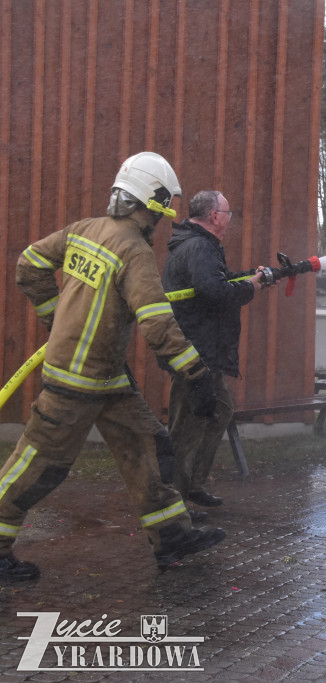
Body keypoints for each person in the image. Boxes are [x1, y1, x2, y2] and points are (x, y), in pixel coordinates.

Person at [0, 152, 225, 583]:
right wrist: (195, 375)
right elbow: (157, 322)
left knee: (148, 445)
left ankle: (172, 535)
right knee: (38, 467)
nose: (164, 215)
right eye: (163, 204)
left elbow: (29, 263)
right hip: (75, 382)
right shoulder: (134, 250)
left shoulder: (85, 229)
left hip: (106, 377)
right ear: (150, 201)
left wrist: (54, 317)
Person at [162, 191, 270, 515]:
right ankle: (174, 502)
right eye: (228, 212)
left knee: (220, 410)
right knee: (187, 425)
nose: (230, 218)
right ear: (214, 215)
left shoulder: (204, 247)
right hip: (195, 354)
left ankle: (193, 484)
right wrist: (250, 287)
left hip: (206, 352)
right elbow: (214, 292)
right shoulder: (197, 246)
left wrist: (252, 276)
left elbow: (216, 282)